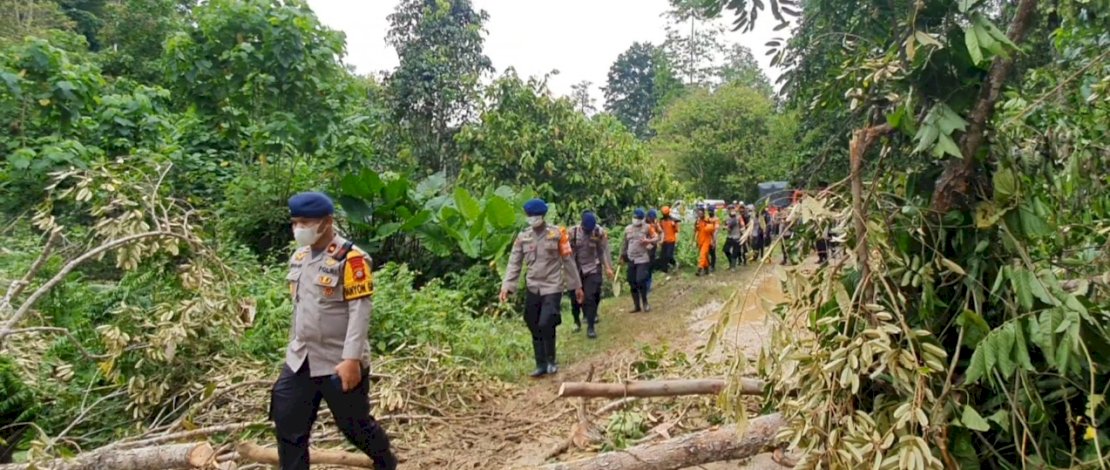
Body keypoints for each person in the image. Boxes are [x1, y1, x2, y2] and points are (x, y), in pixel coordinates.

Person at [271, 192, 397, 470]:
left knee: (354, 426)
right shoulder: (299, 256)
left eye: (305, 222)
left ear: (327, 222)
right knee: (288, 421)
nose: (298, 229)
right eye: (295, 222)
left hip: (338, 360)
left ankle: (385, 461)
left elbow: (359, 311)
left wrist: (351, 359)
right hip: (301, 357)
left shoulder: (351, 259)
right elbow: (301, 307)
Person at [500, 199, 584, 378]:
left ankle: (551, 360)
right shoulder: (523, 237)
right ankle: (540, 364)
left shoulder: (557, 234)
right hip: (533, 286)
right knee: (531, 321)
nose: (532, 219)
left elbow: (568, 261)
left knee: (547, 321)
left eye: (535, 216)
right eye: (529, 216)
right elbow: (514, 262)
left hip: (552, 286)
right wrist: (507, 286)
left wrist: (576, 286)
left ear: (543, 216)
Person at [567, 211, 614, 339]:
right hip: (576, 269)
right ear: (582, 225)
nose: (589, 232)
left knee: (591, 296)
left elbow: (602, 251)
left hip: (593, 267)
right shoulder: (572, 233)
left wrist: (607, 267)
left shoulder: (599, 232)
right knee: (575, 299)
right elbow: (568, 255)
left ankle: (591, 327)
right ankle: (577, 321)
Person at [620, 208, 659, 312]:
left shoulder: (647, 227)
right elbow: (625, 243)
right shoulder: (628, 229)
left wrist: (648, 240)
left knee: (640, 280)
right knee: (632, 282)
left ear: (642, 219)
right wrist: (622, 256)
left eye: (639, 218)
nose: (636, 220)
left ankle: (645, 302)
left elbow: (656, 238)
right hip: (631, 258)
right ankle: (636, 306)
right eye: (635, 218)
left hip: (642, 258)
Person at [694, 207, 717, 276]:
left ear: (703, 213)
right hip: (699, 240)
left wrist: (713, 241)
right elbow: (695, 231)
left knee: (702, 254)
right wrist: (693, 241)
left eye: (701, 213)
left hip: (707, 241)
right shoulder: (697, 221)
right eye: (698, 213)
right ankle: (706, 269)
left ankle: (699, 269)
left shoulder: (708, 220)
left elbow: (712, 232)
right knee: (705, 256)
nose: (699, 214)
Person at [659, 206, 680, 272]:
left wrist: (674, 226)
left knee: (669, 255)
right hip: (664, 240)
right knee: (663, 256)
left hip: (671, 240)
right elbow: (660, 230)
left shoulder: (673, 221)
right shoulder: (661, 221)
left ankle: (675, 263)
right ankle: (664, 270)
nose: (664, 215)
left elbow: (677, 230)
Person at [707, 207, 720, 272]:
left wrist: (714, 240)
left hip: (713, 238)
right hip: (707, 238)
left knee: (712, 253)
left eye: (710, 211)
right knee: (706, 252)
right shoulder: (707, 219)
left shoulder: (716, 219)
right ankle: (708, 265)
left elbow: (716, 230)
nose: (710, 212)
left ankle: (712, 266)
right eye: (709, 211)